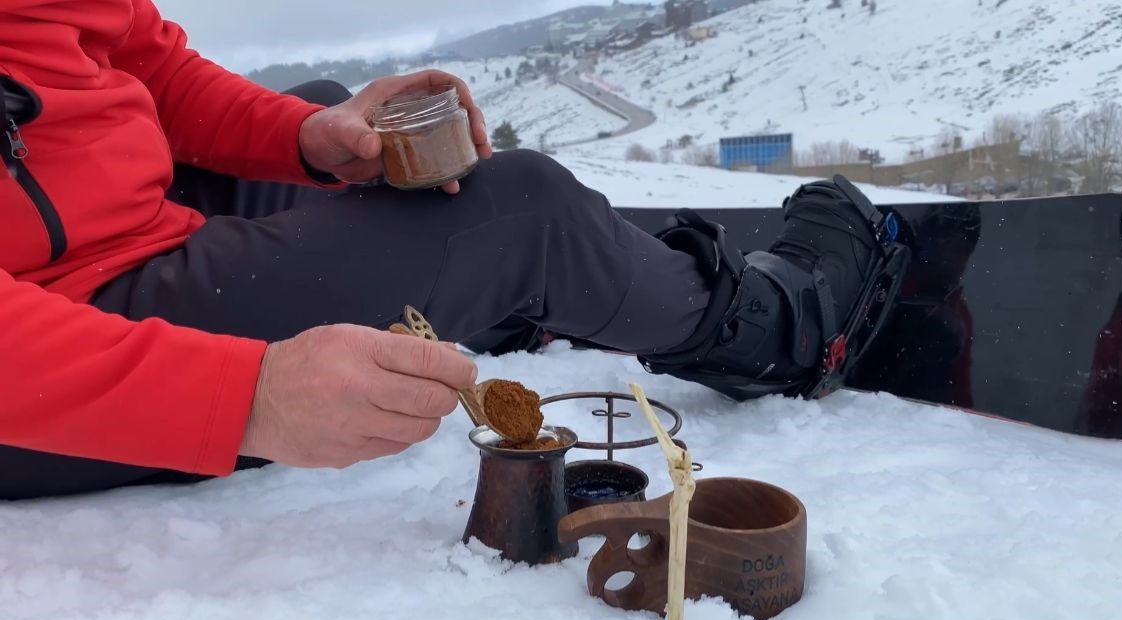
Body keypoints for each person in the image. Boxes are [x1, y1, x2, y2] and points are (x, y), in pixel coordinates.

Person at [0, 0, 903, 500]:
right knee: (521, 211)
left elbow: (138, 62)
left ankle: (495, 304)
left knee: (335, 122)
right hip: (51, 357)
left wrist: (312, 134)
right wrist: (244, 396)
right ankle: (774, 337)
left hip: (98, 236)